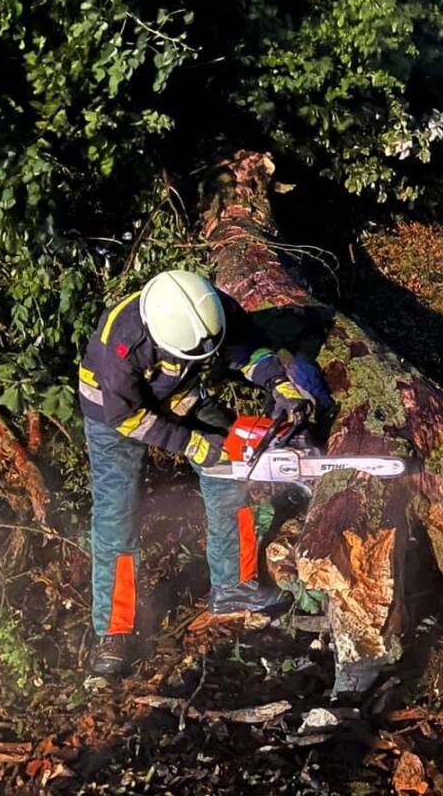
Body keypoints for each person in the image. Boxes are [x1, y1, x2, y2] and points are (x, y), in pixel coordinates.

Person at [77, 269, 329, 676]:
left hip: (179, 396)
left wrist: (277, 384)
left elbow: (247, 350)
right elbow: (128, 419)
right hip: (114, 418)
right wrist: (192, 443)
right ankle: (114, 630)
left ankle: (234, 585)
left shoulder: (210, 309)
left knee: (228, 467)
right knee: (115, 515)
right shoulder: (120, 345)